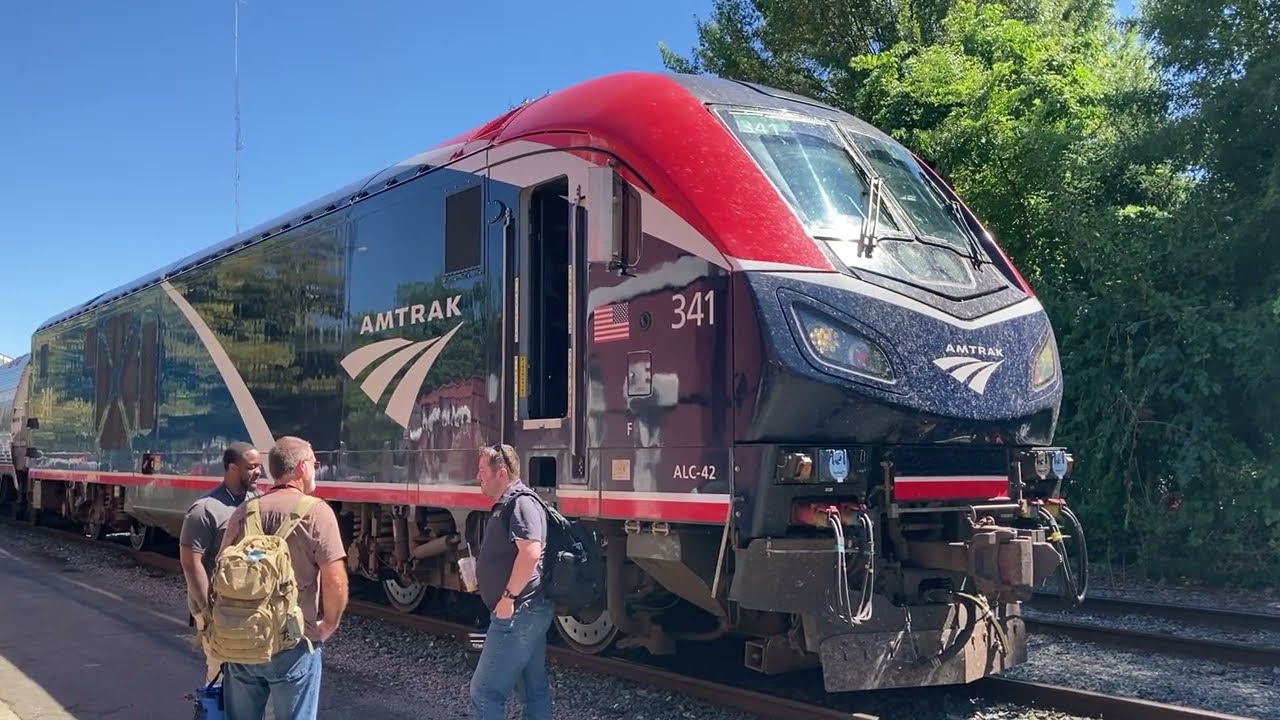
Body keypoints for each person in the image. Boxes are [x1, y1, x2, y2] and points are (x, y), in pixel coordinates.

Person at [217, 436, 348, 720]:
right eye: (314, 463)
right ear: (302, 467)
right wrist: (328, 624)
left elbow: (221, 568)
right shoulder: (317, 512)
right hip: (294, 641)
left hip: (242, 639)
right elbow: (335, 580)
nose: (316, 469)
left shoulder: (245, 511)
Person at [469, 443, 554, 720]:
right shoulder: (516, 502)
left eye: (483, 471)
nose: (478, 476)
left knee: (485, 692)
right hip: (528, 610)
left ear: (501, 473)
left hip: (517, 613)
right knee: (533, 690)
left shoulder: (520, 502)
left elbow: (530, 550)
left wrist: (507, 597)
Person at [178, 441, 262, 683]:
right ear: (233, 468)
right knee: (220, 678)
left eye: (260, 467)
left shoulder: (258, 502)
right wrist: (208, 612)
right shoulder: (204, 510)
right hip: (218, 608)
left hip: (249, 607)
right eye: (252, 466)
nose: (258, 472)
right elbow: (191, 563)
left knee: (249, 682)